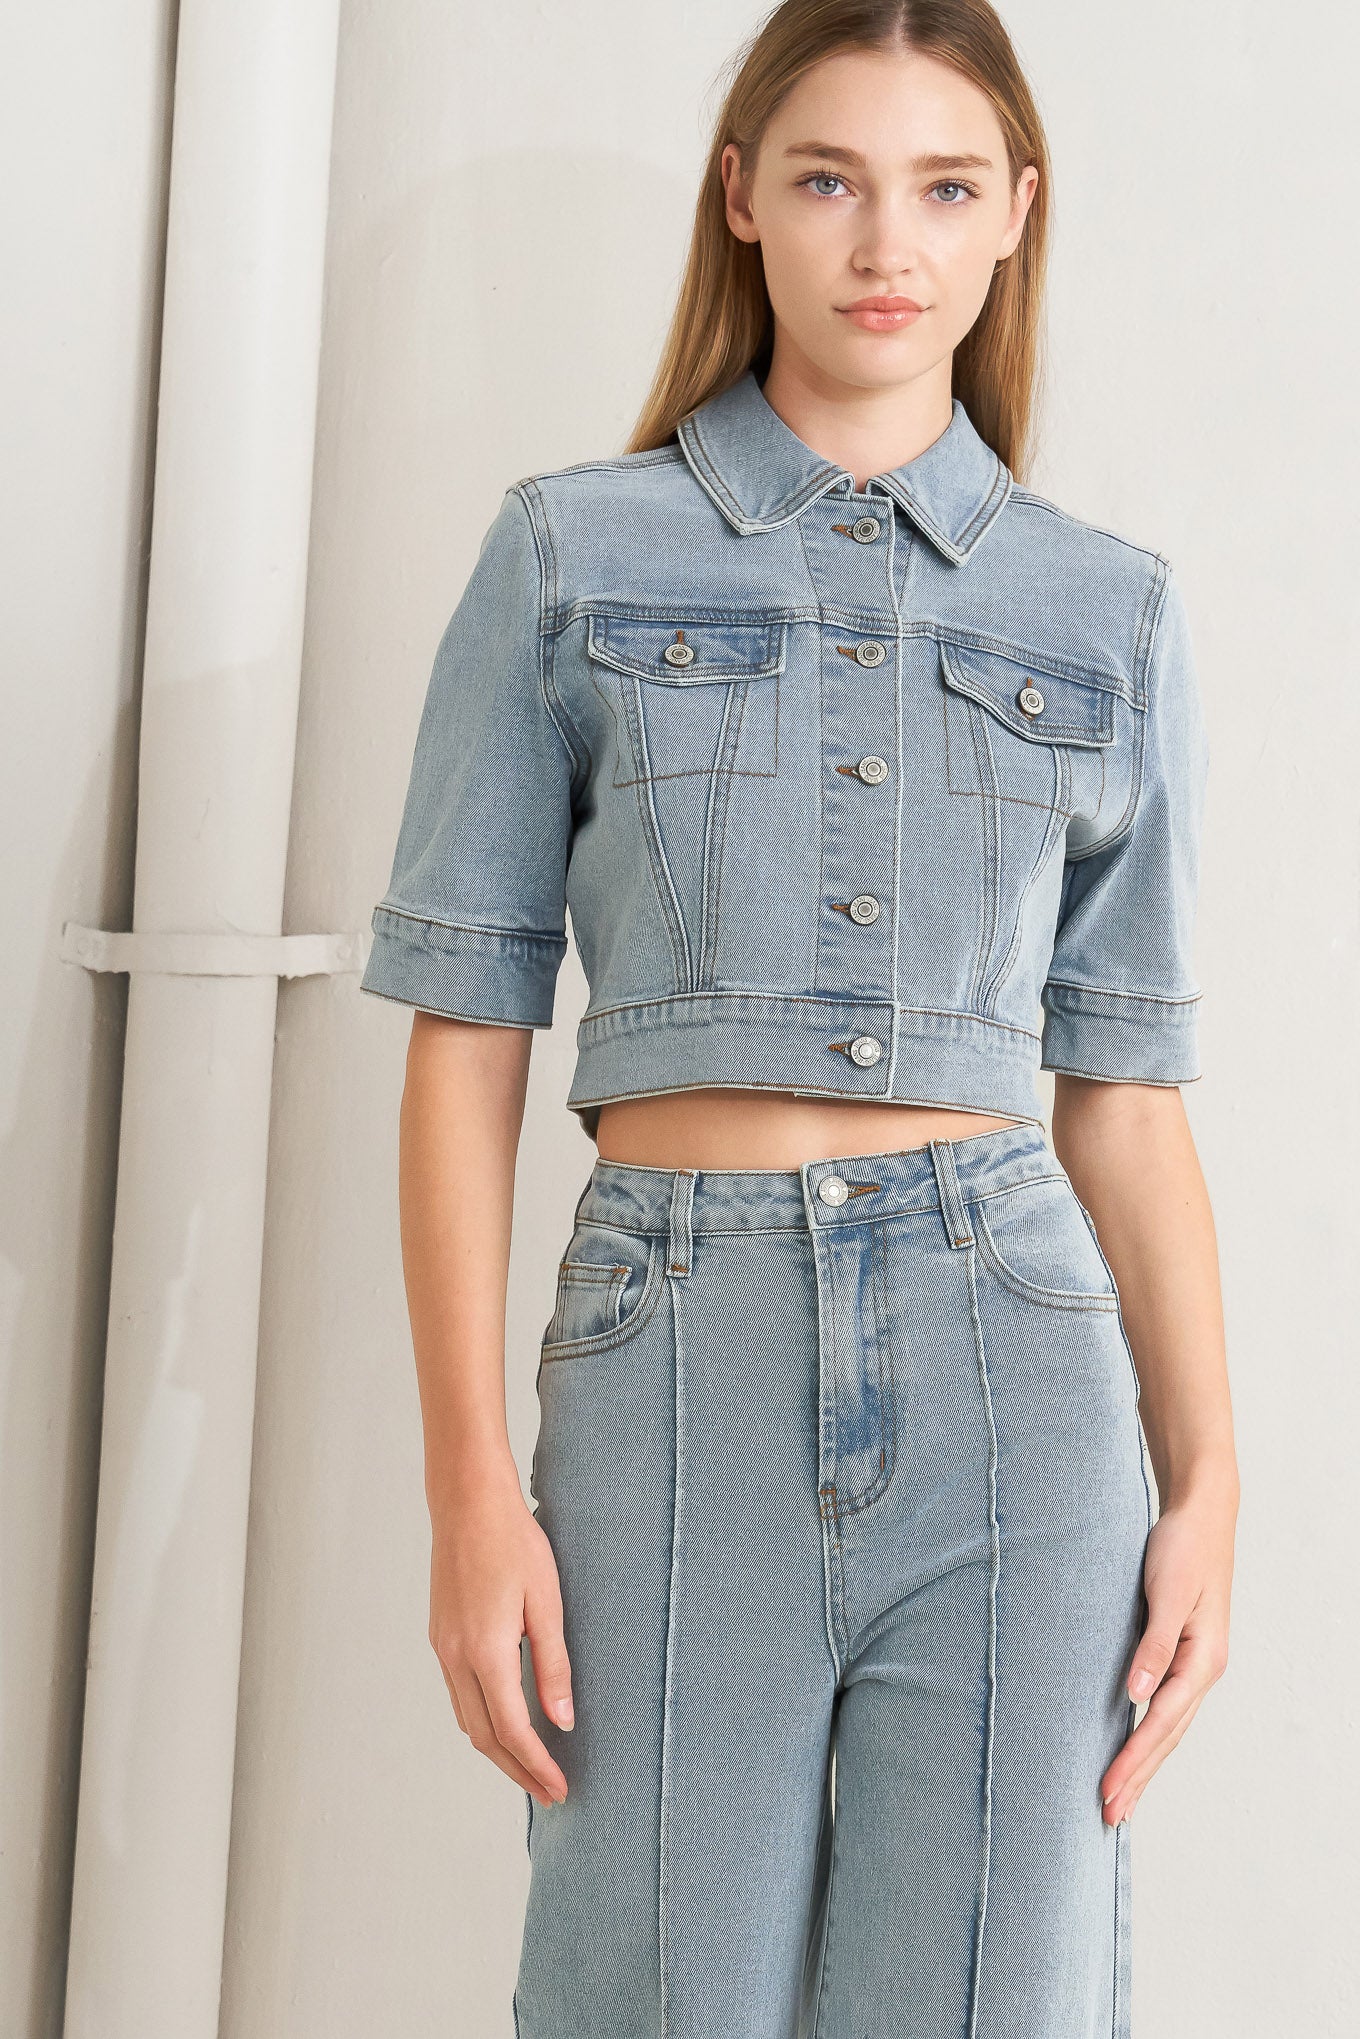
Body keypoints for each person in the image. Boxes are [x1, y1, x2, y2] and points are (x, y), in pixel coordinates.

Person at [359, 2, 1238, 2031]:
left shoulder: (1102, 610)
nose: (883, 242)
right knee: (643, 1988)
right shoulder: (572, 555)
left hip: (1013, 1363)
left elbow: (1118, 1095)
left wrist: (1206, 1489)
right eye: (829, 177)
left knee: (986, 2001)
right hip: (673, 1350)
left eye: (942, 188)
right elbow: (462, 1037)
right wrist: (466, 1484)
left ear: (1014, 217)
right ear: (740, 197)